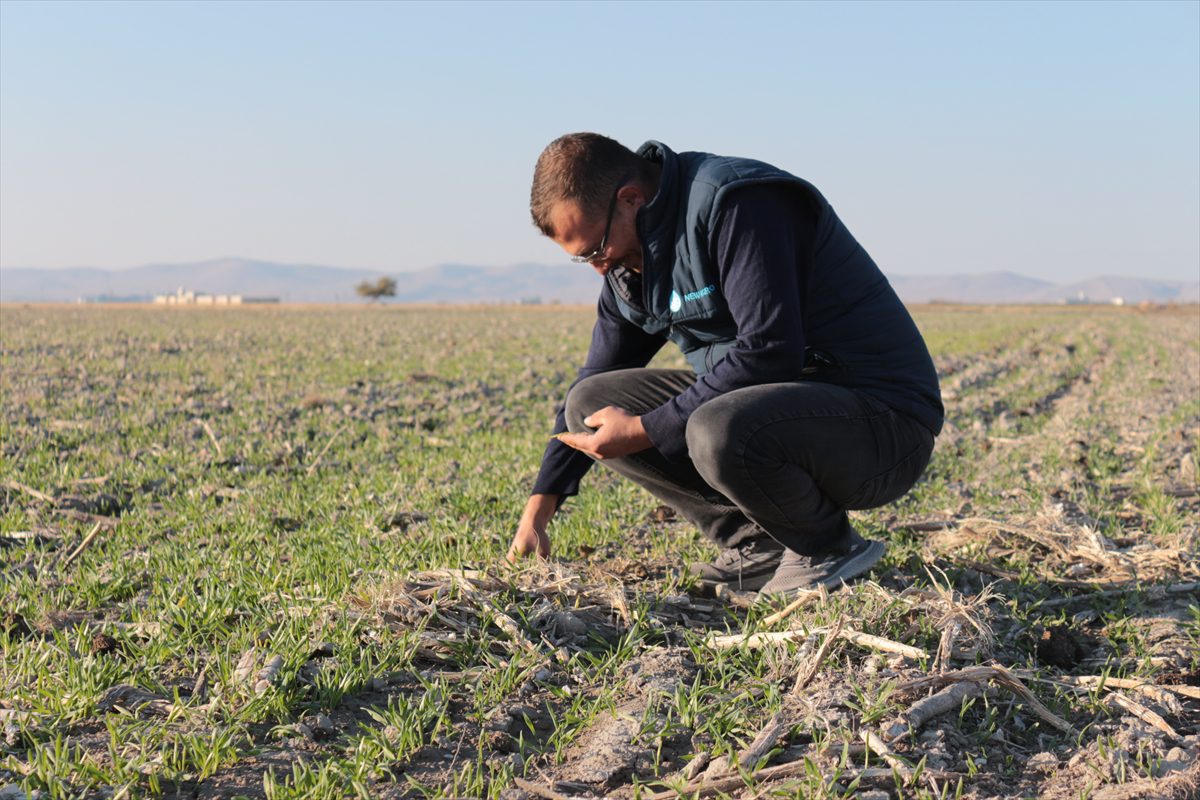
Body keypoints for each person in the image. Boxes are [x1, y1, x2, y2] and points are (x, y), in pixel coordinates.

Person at [505, 133, 943, 597]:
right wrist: (540, 508)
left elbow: (770, 350)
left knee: (715, 426)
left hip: (881, 424)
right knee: (590, 404)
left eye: (594, 250)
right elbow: (592, 378)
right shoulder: (631, 267)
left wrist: (646, 428)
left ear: (630, 199)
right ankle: (759, 542)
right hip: (777, 414)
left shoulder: (738, 204)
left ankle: (824, 545)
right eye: (581, 259)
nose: (598, 267)